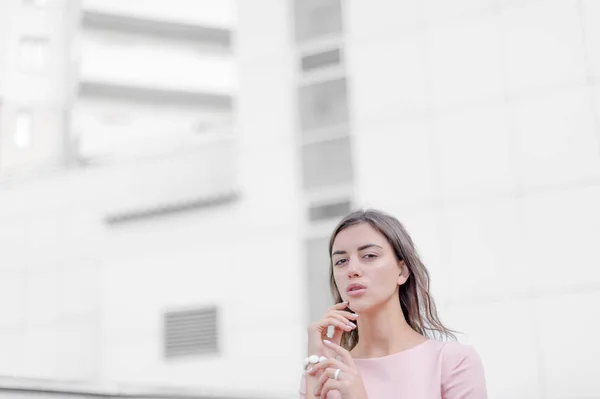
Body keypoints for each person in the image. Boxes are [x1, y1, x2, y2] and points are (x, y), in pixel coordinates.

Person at [299, 209, 487, 399]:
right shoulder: (329, 372)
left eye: (369, 256)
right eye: (341, 261)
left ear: (402, 271)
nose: (352, 270)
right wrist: (317, 363)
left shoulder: (452, 362)